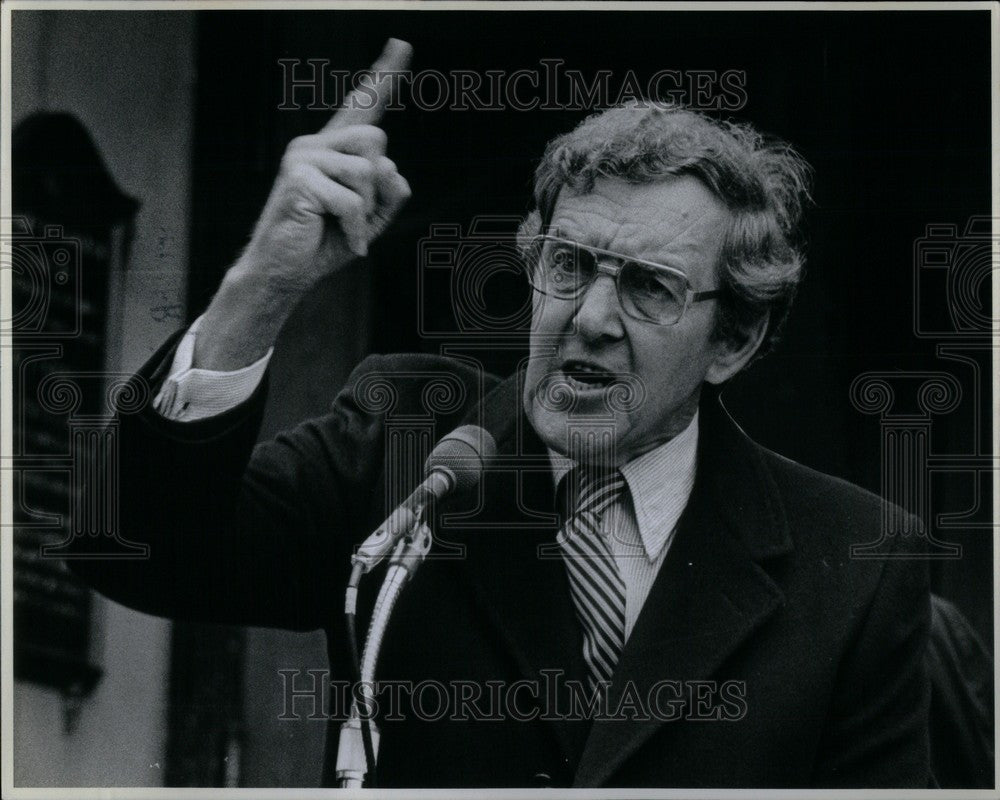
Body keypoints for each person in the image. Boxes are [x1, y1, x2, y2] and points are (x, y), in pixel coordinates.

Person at [69, 39, 932, 788]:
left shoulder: (856, 565)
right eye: (569, 264)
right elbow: (136, 548)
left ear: (733, 341)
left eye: (647, 287)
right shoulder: (406, 441)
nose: (590, 317)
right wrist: (263, 284)